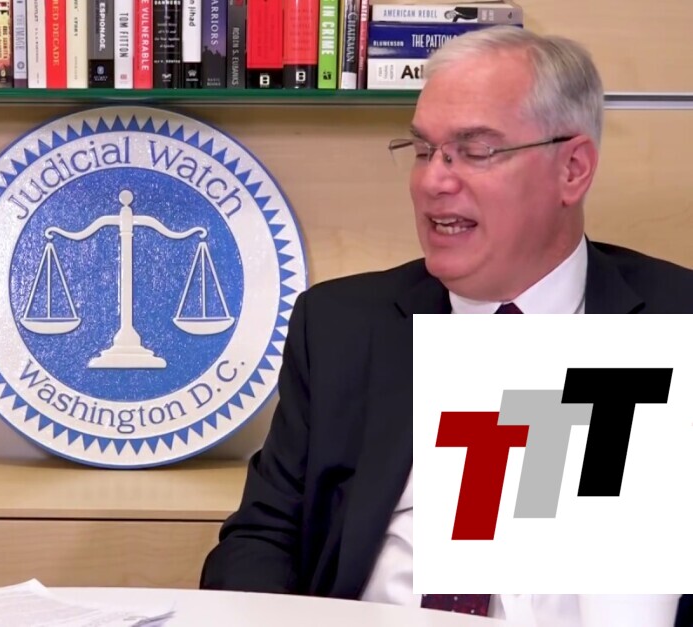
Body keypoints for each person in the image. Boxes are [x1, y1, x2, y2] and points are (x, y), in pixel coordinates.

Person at [200, 26, 693, 626]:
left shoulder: (678, 323)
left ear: (572, 169)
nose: (434, 180)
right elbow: (261, 541)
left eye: (476, 150)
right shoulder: (340, 327)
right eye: (424, 150)